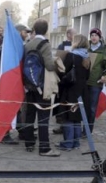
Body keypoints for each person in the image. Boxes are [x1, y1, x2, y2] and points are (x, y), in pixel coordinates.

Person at [22, 18, 60, 157]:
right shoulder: (45, 44)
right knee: (43, 116)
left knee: (30, 115)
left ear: (34, 29)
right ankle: (44, 148)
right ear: (46, 30)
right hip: (42, 85)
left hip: (29, 84)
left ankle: (29, 143)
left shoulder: (28, 44)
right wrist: (57, 63)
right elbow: (49, 65)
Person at [55, 34, 89, 151]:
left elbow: (62, 71)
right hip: (81, 91)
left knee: (68, 117)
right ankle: (75, 143)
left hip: (70, 90)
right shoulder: (87, 57)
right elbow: (87, 75)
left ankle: (68, 143)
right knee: (76, 117)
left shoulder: (71, 56)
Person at [83, 27, 106, 133]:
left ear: (100, 37)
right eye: (92, 35)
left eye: (96, 35)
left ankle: (88, 131)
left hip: (96, 83)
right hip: (84, 82)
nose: (94, 37)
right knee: (83, 106)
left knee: (91, 107)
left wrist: (105, 76)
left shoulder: (105, 51)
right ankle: (82, 128)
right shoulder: (86, 48)